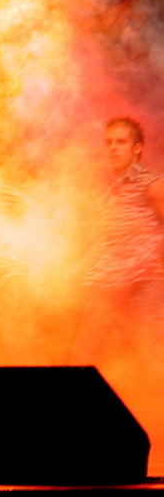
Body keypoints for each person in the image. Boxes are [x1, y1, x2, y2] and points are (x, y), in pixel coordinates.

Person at [70, 116, 164, 366]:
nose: (112, 147)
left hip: (145, 283)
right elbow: (105, 242)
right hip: (108, 283)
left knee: (152, 356)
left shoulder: (152, 184)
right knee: (84, 355)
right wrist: (73, 270)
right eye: (108, 142)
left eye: (120, 142)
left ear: (137, 148)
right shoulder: (112, 191)